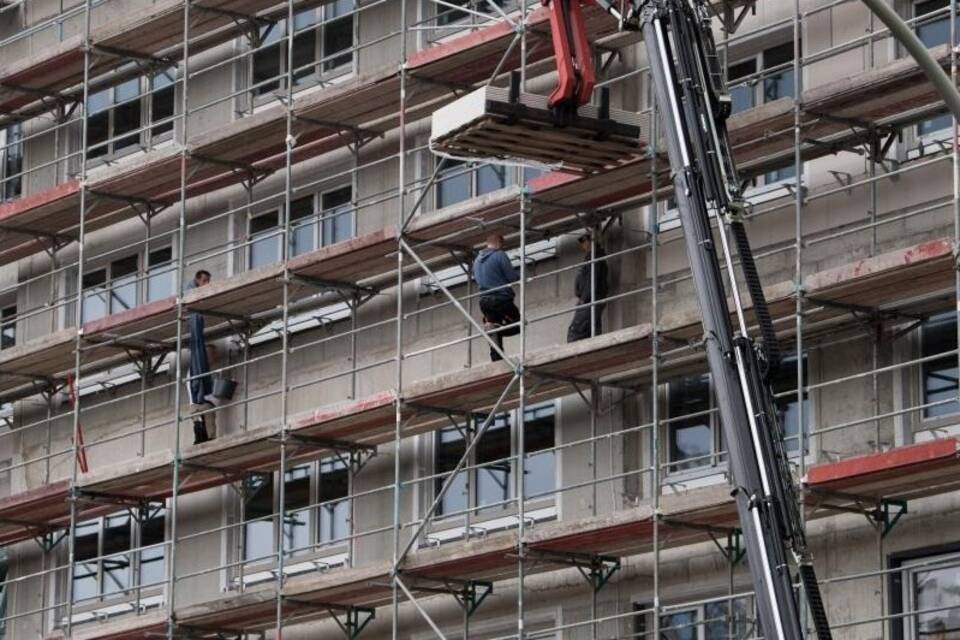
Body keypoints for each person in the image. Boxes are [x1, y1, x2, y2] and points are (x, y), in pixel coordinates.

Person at [473, 233, 520, 362]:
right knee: (518, 325)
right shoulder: (499, 255)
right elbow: (511, 277)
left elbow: (477, 279)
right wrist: (519, 275)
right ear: (499, 243)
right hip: (501, 298)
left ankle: (496, 358)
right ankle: (496, 329)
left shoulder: (476, 261)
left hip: (484, 301)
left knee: (493, 326)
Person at [187, 270, 216, 444]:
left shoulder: (203, 369)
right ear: (197, 280)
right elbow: (195, 390)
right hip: (199, 406)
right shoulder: (196, 368)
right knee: (205, 435)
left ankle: (204, 439)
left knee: (209, 433)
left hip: (203, 406)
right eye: (204, 280)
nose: (206, 283)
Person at [567, 234, 609, 343]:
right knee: (591, 329)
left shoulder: (595, 257)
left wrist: (585, 298)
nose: (583, 246)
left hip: (590, 299)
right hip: (590, 298)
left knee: (576, 332)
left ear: (590, 242)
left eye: (584, 242)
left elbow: (592, 279)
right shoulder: (592, 256)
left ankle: (574, 355)